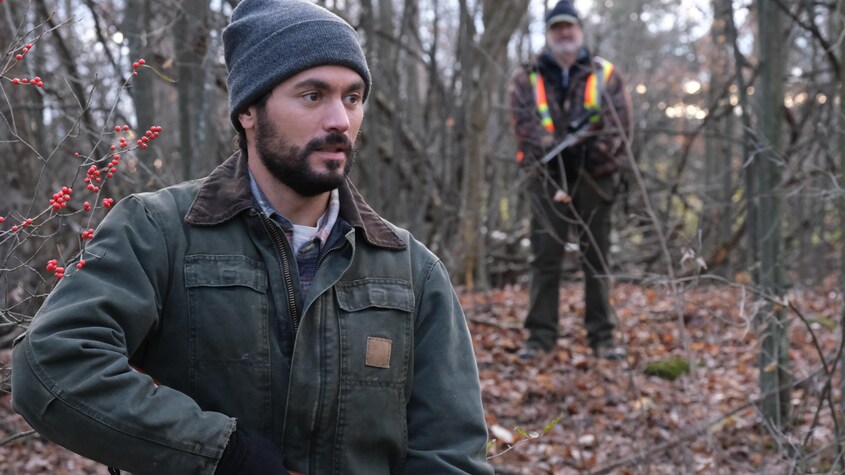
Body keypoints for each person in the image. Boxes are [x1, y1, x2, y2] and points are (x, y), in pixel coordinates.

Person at [11, 1, 494, 473]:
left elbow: (451, 455)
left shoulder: (411, 271)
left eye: (352, 97)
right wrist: (222, 455)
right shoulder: (158, 231)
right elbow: (50, 364)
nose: (340, 120)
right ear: (248, 110)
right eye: (313, 95)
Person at [508, 0, 633, 361]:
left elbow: (620, 126)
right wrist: (551, 150)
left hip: (595, 177)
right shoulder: (527, 77)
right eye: (557, 27)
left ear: (580, 30)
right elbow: (523, 124)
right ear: (549, 33)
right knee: (545, 258)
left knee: (597, 258)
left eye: (569, 26)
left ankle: (603, 338)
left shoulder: (605, 74)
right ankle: (539, 338)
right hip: (547, 178)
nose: (564, 33)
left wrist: (587, 151)